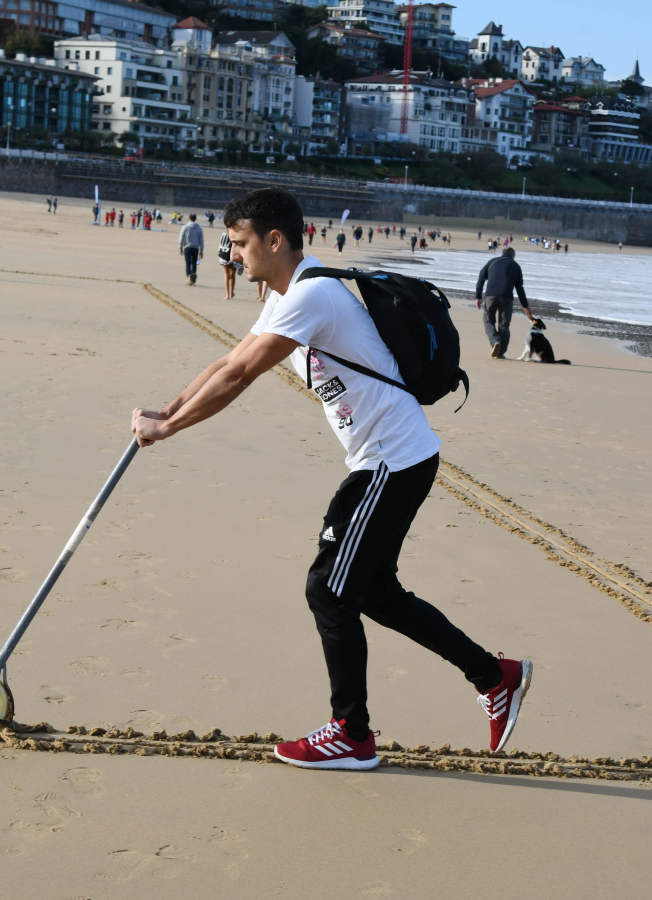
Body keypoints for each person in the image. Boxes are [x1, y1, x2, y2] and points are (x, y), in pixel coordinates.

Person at [129, 188, 531, 772]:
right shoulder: (289, 294)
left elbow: (242, 375)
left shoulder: (313, 294)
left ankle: (351, 733)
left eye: (240, 244)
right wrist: (166, 412)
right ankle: (496, 676)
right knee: (371, 591)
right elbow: (227, 359)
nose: (234, 255)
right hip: (389, 460)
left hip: (390, 461)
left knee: (328, 587)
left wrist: (170, 431)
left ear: (274, 240)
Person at [475, 246, 535, 359]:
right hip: (507, 298)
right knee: (504, 325)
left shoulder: (492, 262)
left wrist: (478, 296)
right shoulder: (516, 266)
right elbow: (520, 289)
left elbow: (481, 277)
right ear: (513, 255)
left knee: (488, 321)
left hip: (490, 296)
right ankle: (500, 352)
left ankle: (495, 342)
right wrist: (526, 308)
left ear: (502, 253)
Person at [178, 213, 204, 286]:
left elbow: (181, 237)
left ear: (189, 218)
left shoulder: (185, 227)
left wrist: (180, 247)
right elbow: (201, 240)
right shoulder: (199, 228)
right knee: (194, 264)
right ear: (195, 219)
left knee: (188, 263)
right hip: (196, 248)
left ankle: (189, 277)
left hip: (187, 247)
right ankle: (193, 278)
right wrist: (201, 250)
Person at [218, 228, 236, 299]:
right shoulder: (234, 235)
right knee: (232, 275)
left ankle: (228, 294)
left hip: (223, 256)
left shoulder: (223, 234)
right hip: (232, 256)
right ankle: (230, 293)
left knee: (226, 274)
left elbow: (220, 245)